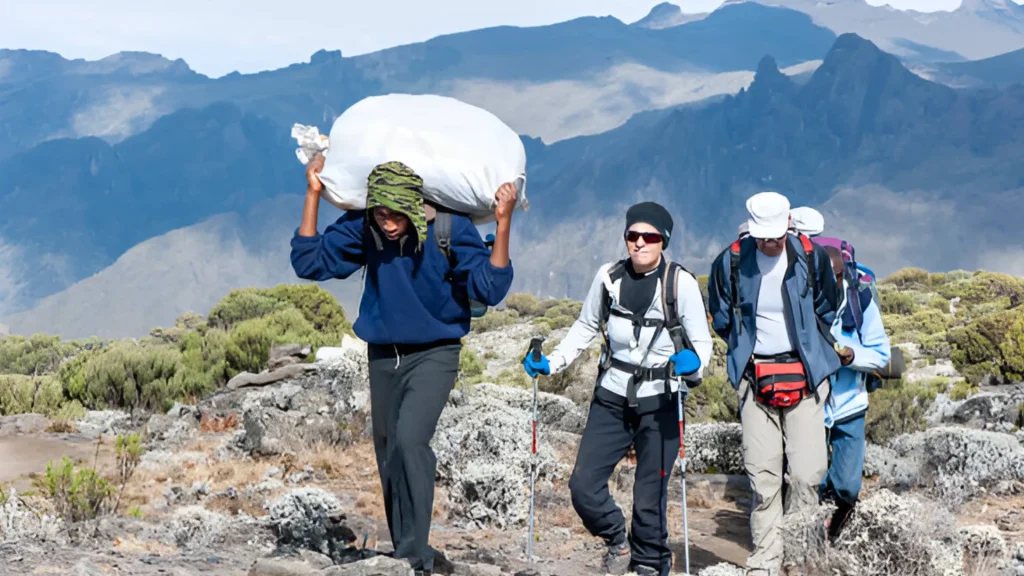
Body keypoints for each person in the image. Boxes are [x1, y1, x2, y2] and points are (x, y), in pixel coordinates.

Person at [291, 155, 518, 576]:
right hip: (382, 354)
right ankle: (405, 552)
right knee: (388, 452)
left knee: (412, 441)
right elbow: (309, 262)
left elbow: (490, 285)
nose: (389, 223)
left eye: (397, 215)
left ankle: (415, 555)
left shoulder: (450, 229)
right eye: (381, 214)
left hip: (436, 352)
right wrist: (313, 192)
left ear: (415, 207)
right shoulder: (366, 228)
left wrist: (502, 223)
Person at [521, 202, 713, 576]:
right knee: (583, 486)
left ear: (664, 241)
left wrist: (693, 364)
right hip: (611, 396)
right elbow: (585, 326)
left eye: (650, 237)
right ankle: (615, 538)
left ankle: (649, 562)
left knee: (649, 496)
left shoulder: (679, 284)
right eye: (633, 235)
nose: (640, 243)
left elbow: (701, 344)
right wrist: (553, 363)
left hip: (662, 399)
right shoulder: (608, 278)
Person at [706, 191, 841, 575]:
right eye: (763, 237)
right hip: (755, 378)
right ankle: (766, 560)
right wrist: (745, 349)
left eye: (776, 236)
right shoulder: (731, 262)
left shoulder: (810, 258)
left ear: (787, 227)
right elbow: (720, 315)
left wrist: (809, 345)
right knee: (763, 477)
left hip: (807, 377)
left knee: (805, 474)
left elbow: (827, 307)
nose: (770, 243)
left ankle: (801, 558)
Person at [819, 245, 891, 541]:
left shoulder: (860, 301)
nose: (830, 283)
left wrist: (851, 356)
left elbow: (881, 355)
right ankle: (814, 539)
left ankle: (835, 531)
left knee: (848, 485)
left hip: (850, 404)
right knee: (808, 478)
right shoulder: (802, 299)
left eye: (834, 277)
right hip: (811, 406)